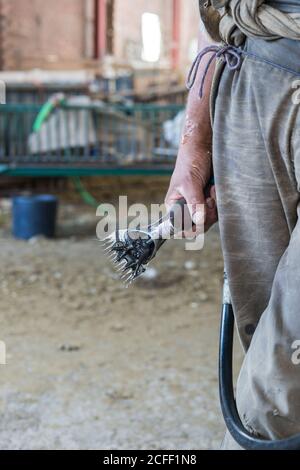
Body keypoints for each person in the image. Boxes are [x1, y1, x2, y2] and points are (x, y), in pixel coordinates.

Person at [165, 0, 300, 449]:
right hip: (249, 82)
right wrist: (194, 141)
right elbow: (214, 25)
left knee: (276, 378)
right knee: (260, 331)